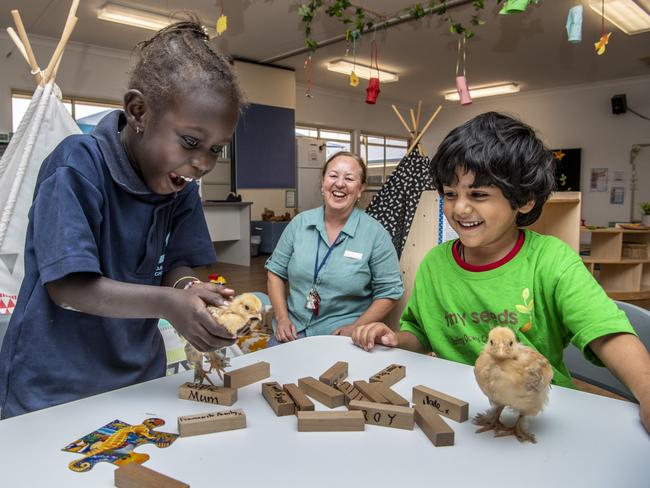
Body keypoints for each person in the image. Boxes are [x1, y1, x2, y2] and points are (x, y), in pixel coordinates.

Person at [0, 21, 244, 418]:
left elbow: (177, 265)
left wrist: (189, 290)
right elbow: (70, 288)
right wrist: (171, 304)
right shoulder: (76, 165)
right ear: (139, 111)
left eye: (215, 149)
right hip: (53, 387)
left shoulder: (179, 185)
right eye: (190, 141)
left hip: (138, 379)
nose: (202, 163)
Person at [351, 112, 650, 434]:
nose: (460, 208)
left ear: (524, 200)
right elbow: (420, 335)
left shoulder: (551, 260)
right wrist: (394, 338)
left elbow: (606, 332)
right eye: (450, 194)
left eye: (478, 194)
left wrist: (646, 392)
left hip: (537, 416)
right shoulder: (435, 263)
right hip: (462, 414)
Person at [265, 151, 403, 344]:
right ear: (323, 183)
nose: (339, 184)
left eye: (349, 178)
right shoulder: (299, 224)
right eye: (333, 176)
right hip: (291, 330)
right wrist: (282, 319)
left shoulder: (375, 234)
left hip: (342, 336)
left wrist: (356, 328)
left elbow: (390, 291)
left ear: (361, 188)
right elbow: (276, 273)